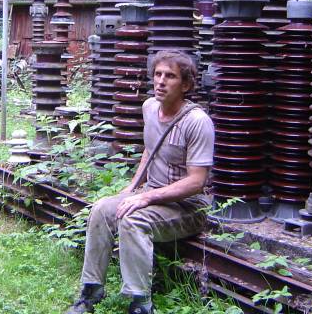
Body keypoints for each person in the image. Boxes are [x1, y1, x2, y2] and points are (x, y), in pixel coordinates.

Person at [66, 50, 214, 314]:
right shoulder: (150, 108)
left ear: (186, 85)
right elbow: (150, 149)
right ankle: (91, 290)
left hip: (187, 207)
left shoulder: (197, 122)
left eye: (170, 76)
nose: (161, 81)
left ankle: (141, 303)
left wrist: (146, 197)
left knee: (133, 220)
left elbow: (196, 182)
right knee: (101, 209)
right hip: (153, 195)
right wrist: (133, 188)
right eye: (158, 74)